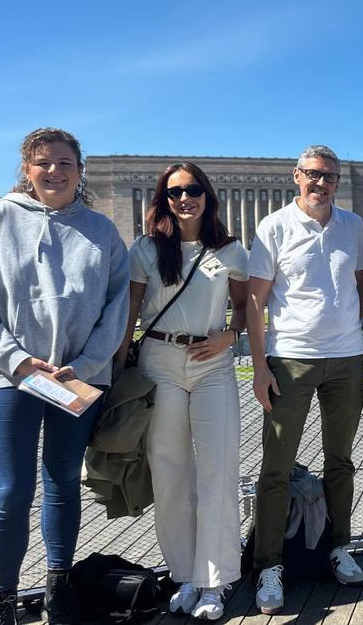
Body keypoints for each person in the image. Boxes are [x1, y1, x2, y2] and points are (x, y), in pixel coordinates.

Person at [0, 128, 129, 625]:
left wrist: (90, 362)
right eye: (43, 163)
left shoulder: (102, 231)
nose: (54, 171)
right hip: (6, 377)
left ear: (80, 169)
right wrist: (15, 359)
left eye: (64, 163)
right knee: (10, 489)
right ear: (27, 170)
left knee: (62, 483)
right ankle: (3, 601)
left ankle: (59, 588)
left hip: (75, 377)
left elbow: (117, 308)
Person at [114, 163, 247, 620]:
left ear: (207, 195)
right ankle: (185, 575)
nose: (184, 198)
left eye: (192, 190)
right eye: (175, 192)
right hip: (160, 363)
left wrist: (231, 337)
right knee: (170, 474)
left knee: (218, 470)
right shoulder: (146, 250)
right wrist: (116, 371)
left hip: (213, 365)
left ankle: (217, 579)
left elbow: (248, 307)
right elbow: (129, 313)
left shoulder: (230, 251)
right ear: (163, 200)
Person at [247, 145, 363, 614]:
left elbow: (362, 287)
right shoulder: (274, 227)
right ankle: (269, 565)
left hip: (345, 358)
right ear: (296, 176)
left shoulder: (353, 226)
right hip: (290, 359)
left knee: (341, 460)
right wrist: (260, 367)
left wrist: (347, 333)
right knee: (276, 467)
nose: (322, 184)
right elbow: (255, 302)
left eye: (331, 177)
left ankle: (339, 546)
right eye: (314, 175)